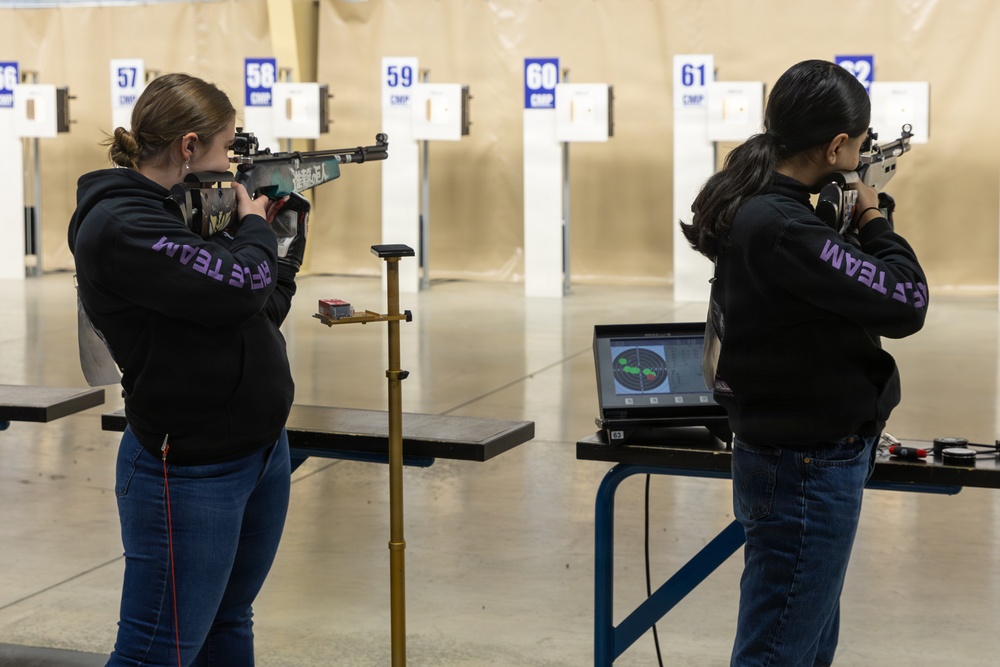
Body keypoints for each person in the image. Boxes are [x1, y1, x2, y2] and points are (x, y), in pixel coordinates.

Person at [680, 60, 928, 666]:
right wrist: (873, 218)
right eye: (860, 144)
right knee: (778, 653)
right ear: (837, 146)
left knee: (805, 644)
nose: (862, 154)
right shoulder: (786, 226)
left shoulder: (766, 206)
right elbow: (906, 301)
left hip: (794, 454)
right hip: (806, 466)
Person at [68, 73, 301, 666]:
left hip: (258, 450)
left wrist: (284, 249)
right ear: (189, 146)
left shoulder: (181, 213)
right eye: (227, 148)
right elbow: (240, 287)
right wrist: (254, 228)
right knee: (156, 653)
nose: (232, 165)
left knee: (229, 620)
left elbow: (256, 311)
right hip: (189, 468)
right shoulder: (126, 225)